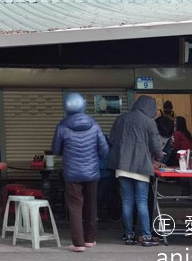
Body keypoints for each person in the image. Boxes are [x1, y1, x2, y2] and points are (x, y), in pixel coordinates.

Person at [51, 92, 108, 252]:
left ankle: (78, 243)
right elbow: (104, 150)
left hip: (72, 173)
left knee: (75, 206)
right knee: (91, 205)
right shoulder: (95, 125)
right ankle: (90, 239)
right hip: (92, 173)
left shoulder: (62, 126)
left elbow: (56, 150)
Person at [107, 95, 164, 246]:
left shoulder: (121, 119)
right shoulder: (149, 121)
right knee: (141, 201)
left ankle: (129, 235)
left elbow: (112, 139)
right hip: (141, 166)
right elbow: (156, 146)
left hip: (122, 166)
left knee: (127, 201)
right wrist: (158, 158)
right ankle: (146, 236)